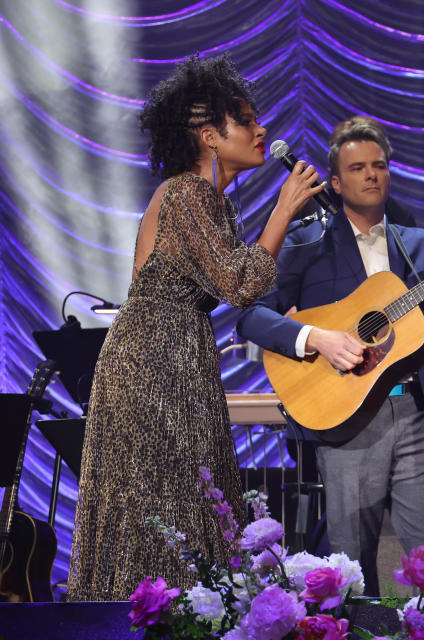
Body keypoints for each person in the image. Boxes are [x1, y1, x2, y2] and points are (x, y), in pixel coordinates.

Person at [67, 55, 325, 601]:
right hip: (153, 364)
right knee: (167, 506)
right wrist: (283, 210)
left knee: (182, 503)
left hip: (176, 356)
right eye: (247, 121)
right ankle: (154, 616)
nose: (262, 132)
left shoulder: (211, 202)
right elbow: (240, 284)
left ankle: (181, 612)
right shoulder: (189, 193)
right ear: (210, 135)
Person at [236, 118, 424, 594]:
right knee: (349, 570)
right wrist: (317, 338)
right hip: (347, 419)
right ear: (335, 182)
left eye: (379, 165)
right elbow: (251, 316)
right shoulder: (305, 244)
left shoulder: (413, 242)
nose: (372, 175)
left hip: (414, 413)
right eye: (357, 168)